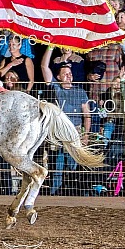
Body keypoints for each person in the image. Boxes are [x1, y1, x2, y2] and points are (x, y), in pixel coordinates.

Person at [41, 46, 92, 195]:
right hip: (58, 134)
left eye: (70, 73)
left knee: (73, 167)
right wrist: (50, 47)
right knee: (57, 167)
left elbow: (87, 115)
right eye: (65, 74)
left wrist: (86, 134)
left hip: (75, 133)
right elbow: (44, 66)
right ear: (59, 77)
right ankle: (55, 195)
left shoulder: (80, 91)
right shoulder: (56, 88)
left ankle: (71, 194)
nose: (69, 76)